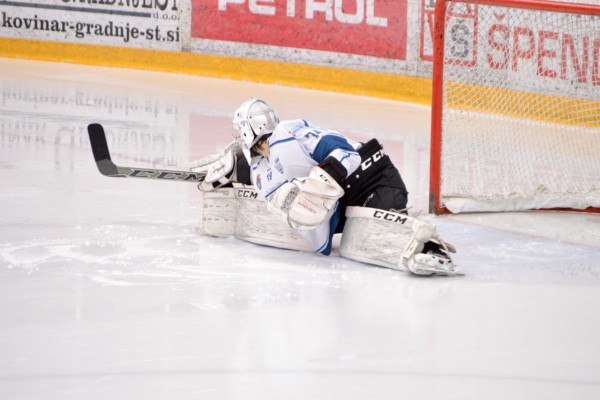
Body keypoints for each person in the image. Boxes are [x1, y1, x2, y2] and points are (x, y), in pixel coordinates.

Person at [191, 98, 462, 276]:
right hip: (344, 205)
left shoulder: (288, 133)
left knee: (378, 230)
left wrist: (320, 181)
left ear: (248, 131)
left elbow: (347, 154)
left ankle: (429, 247)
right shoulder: (262, 178)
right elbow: (320, 245)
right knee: (357, 242)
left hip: (372, 175)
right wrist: (308, 214)